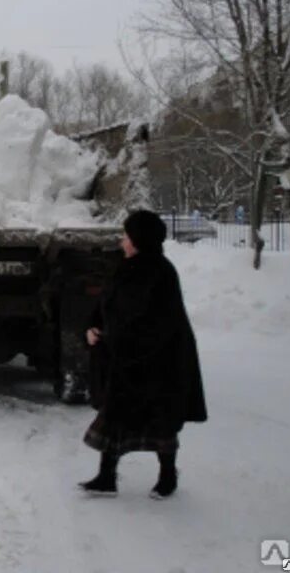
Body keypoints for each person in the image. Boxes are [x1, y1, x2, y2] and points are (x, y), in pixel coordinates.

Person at [79, 209, 207, 499]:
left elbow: (161, 322)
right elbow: (105, 305)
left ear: (138, 239)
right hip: (123, 358)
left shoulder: (161, 273)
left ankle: (167, 477)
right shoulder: (123, 267)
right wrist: (92, 328)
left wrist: (121, 342)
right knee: (113, 416)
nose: (122, 241)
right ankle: (106, 477)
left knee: (159, 421)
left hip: (158, 362)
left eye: (126, 236)